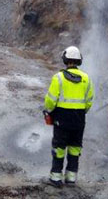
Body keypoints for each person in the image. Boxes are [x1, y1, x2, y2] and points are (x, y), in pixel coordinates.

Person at [44, 46, 94, 187]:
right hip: (79, 119)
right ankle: (71, 178)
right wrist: (80, 112)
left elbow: (51, 100)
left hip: (62, 118)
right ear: (80, 60)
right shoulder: (87, 79)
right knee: (75, 148)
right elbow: (89, 101)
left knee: (59, 148)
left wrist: (48, 110)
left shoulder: (58, 78)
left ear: (65, 59)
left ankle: (55, 178)